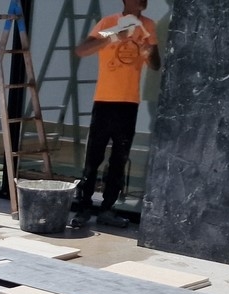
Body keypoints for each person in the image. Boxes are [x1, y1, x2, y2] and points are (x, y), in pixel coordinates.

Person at [72, 0, 161, 227]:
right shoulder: (108, 23)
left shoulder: (148, 26)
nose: (142, 1)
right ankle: (83, 208)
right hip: (104, 100)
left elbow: (155, 64)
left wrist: (148, 52)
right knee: (94, 157)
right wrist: (114, 36)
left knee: (119, 160)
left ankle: (107, 209)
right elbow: (82, 50)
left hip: (129, 102)